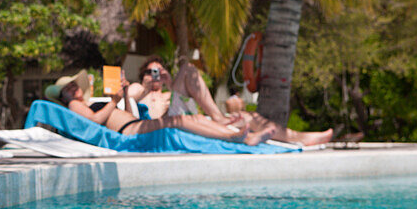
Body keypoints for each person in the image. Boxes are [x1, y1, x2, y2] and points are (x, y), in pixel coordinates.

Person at [131, 55, 333, 146]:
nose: (156, 75)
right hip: (165, 123)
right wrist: (147, 86)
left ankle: (299, 137)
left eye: (159, 70)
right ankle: (219, 118)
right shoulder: (140, 88)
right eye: (151, 71)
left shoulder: (170, 93)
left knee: (248, 116)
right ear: (144, 74)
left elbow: (185, 103)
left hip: (191, 118)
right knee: (187, 68)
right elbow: (129, 98)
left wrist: (169, 84)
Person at [56, 78, 275, 146]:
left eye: (74, 85)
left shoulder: (85, 102)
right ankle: (234, 137)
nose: (73, 89)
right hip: (128, 130)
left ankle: (229, 130)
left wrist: (119, 94)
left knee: (192, 118)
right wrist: (114, 100)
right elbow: (95, 120)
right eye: (68, 89)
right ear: (62, 96)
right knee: (177, 120)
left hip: (131, 125)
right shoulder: (75, 106)